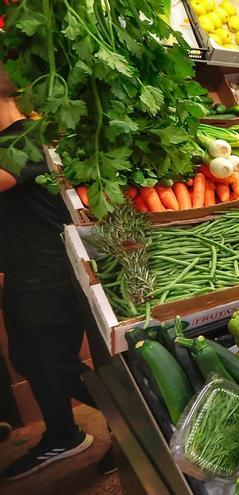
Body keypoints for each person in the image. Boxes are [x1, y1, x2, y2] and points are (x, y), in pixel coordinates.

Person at [0, 65, 100, 479]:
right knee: (32, 357)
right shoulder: (25, 138)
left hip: (47, 277)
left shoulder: (20, 141)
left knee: (51, 362)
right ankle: (64, 432)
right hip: (32, 274)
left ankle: (137, 415)